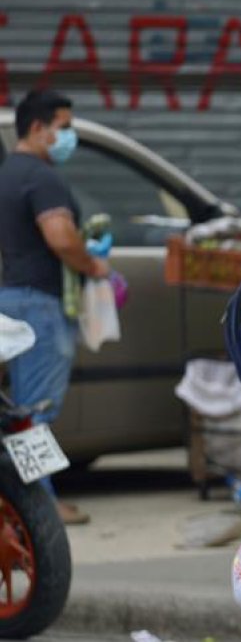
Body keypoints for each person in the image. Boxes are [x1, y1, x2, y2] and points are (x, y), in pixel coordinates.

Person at [0, 89, 105, 526]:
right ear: (38, 128)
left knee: (20, 408)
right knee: (35, 410)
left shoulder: (8, 172)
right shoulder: (42, 178)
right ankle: (39, 506)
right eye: (64, 127)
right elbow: (61, 238)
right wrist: (94, 264)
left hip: (12, 298)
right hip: (40, 304)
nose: (69, 136)